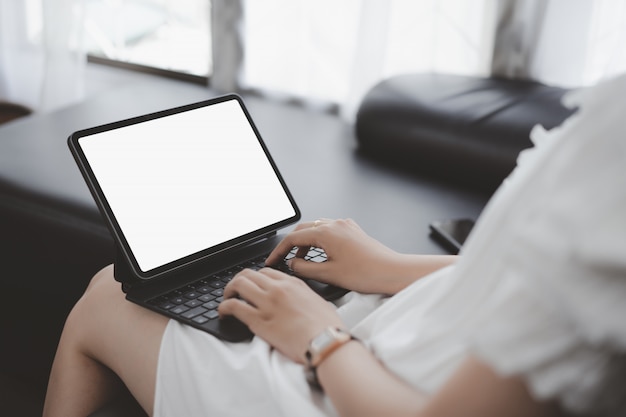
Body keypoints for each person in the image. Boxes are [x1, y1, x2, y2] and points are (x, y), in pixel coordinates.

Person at [43, 73, 626, 417]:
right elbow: (545, 287)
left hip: (362, 387)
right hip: (399, 336)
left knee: (106, 298)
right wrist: (388, 267)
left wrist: (318, 338)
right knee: (283, 270)